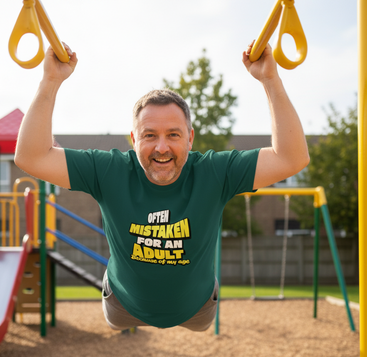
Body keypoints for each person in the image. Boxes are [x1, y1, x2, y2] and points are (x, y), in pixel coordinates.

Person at [15, 42, 309, 332]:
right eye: (150, 135)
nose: (162, 147)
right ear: (133, 139)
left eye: (173, 134)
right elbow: (31, 157)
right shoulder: (110, 171)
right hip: (122, 306)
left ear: (190, 138)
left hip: (198, 310)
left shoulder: (214, 172)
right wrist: (50, 81)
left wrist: (271, 80)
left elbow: (291, 158)